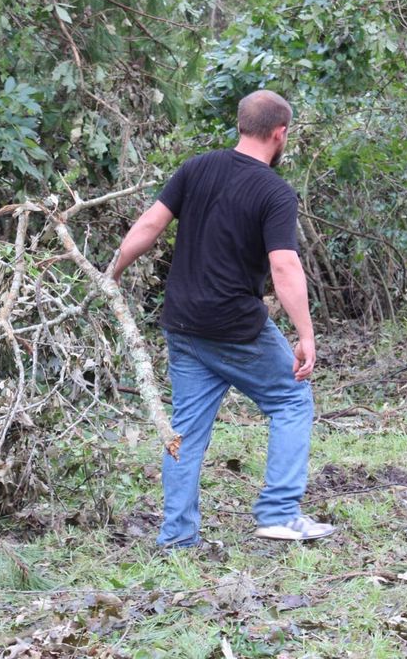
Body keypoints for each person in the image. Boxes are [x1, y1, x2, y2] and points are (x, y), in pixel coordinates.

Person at [111, 90, 336, 547]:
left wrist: (111, 271)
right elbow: (285, 266)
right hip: (234, 326)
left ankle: (176, 537)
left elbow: (150, 225)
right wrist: (306, 334)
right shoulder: (275, 190)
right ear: (280, 133)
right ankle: (278, 512)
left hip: (184, 323)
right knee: (292, 399)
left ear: (240, 125)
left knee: (186, 431)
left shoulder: (197, 167)